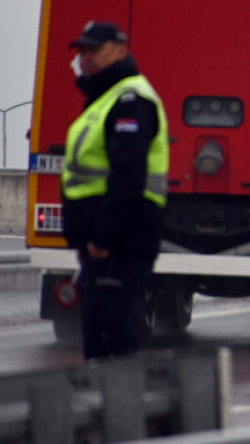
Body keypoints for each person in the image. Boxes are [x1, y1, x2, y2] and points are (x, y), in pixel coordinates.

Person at [60, 20, 169, 360]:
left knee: (112, 341)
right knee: (99, 339)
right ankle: (106, 407)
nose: (86, 57)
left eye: (94, 49)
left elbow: (127, 177)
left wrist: (101, 242)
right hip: (104, 245)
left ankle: (117, 410)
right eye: (82, 50)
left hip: (119, 243)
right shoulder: (104, 97)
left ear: (121, 50)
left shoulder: (130, 100)